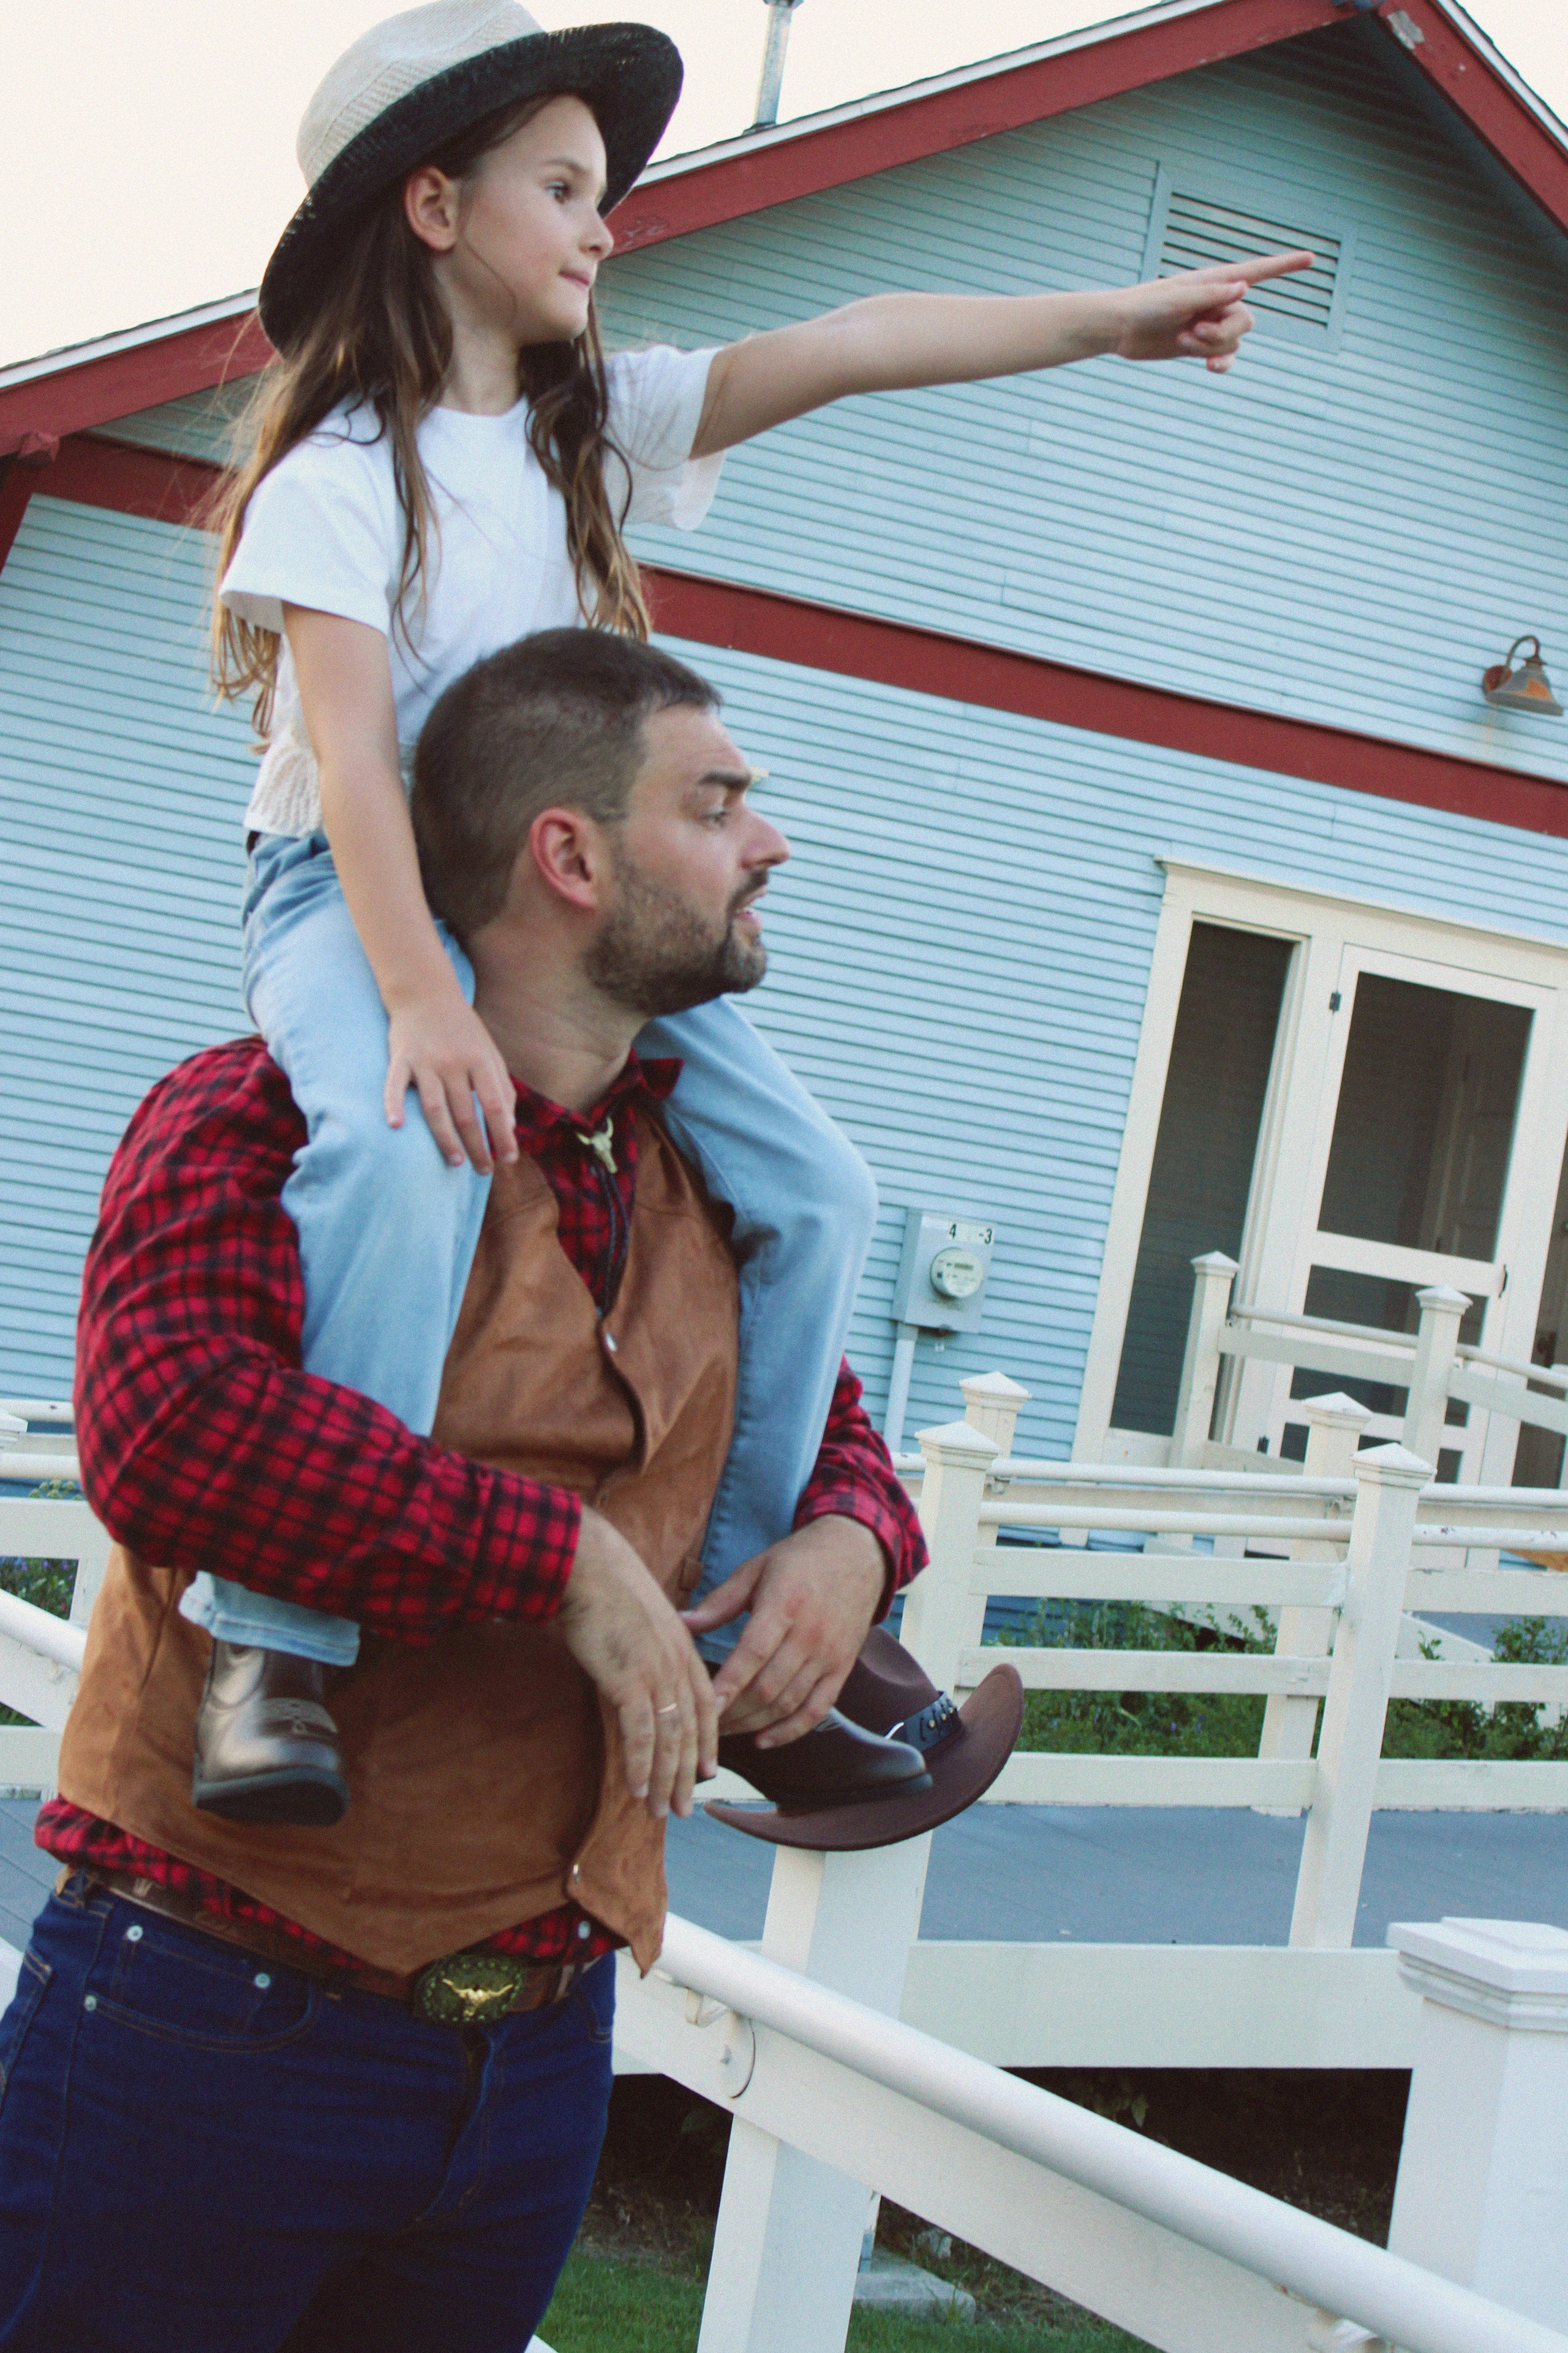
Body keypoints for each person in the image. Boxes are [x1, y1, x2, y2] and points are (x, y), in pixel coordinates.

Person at [183, 0, 1312, 1823]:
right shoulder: (338, 484)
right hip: (357, 888)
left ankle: (729, 1626)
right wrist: (418, 996)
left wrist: (1113, 322)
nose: (603, 220)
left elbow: (852, 344)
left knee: (821, 1190)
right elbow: (357, 772)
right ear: (434, 208)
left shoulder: (586, 438)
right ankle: (281, 1636)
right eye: (561, 185)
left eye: (604, 189)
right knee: (407, 1155)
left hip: (569, 900)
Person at [0, 629, 928, 2352]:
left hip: (540, 2054)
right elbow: (173, 1429)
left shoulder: (693, 1178)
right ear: (567, 859)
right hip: (207, 2026)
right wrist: (552, 1551)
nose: (771, 842)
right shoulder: (257, 1119)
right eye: (717, 803)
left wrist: (851, 1537)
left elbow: (813, 1423)